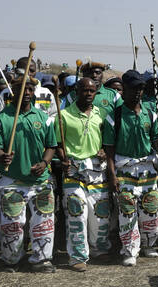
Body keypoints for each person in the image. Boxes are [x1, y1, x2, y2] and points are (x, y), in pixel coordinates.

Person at [0, 74, 57, 272]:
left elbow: (51, 145)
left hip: (40, 181)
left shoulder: (44, 118)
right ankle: (11, 259)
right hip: (12, 181)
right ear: (13, 92)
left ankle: (41, 259)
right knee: (13, 225)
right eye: (21, 89)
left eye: (29, 89)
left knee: (43, 223)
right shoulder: (0, 120)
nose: (26, 93)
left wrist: (44, 162)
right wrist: (2, 156)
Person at [103, 70, 158, 266]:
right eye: (133, 88)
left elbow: (154, 140)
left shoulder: (150, 113)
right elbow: (109, 150)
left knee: (150, 208)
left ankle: (148, 245)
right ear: (124, 90)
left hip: (147, 169)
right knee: (127, 211)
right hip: (125, 169)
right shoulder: (115, 117)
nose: (137, 93)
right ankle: (129, 249)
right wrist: (112, 176)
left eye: (141, 88)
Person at [59, 77, 110, 271]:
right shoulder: (64, 115)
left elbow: (107, 141)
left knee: (100, 213)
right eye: (84, 90)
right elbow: (57, 144)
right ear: (76, 92)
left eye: (92, 91)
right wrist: (63, 158)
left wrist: (104, 150)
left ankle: (99, 248)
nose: (88, 94)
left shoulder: (102, 114)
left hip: (97, 169)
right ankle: (77, 257)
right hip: (73, 169)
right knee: (76, 212)